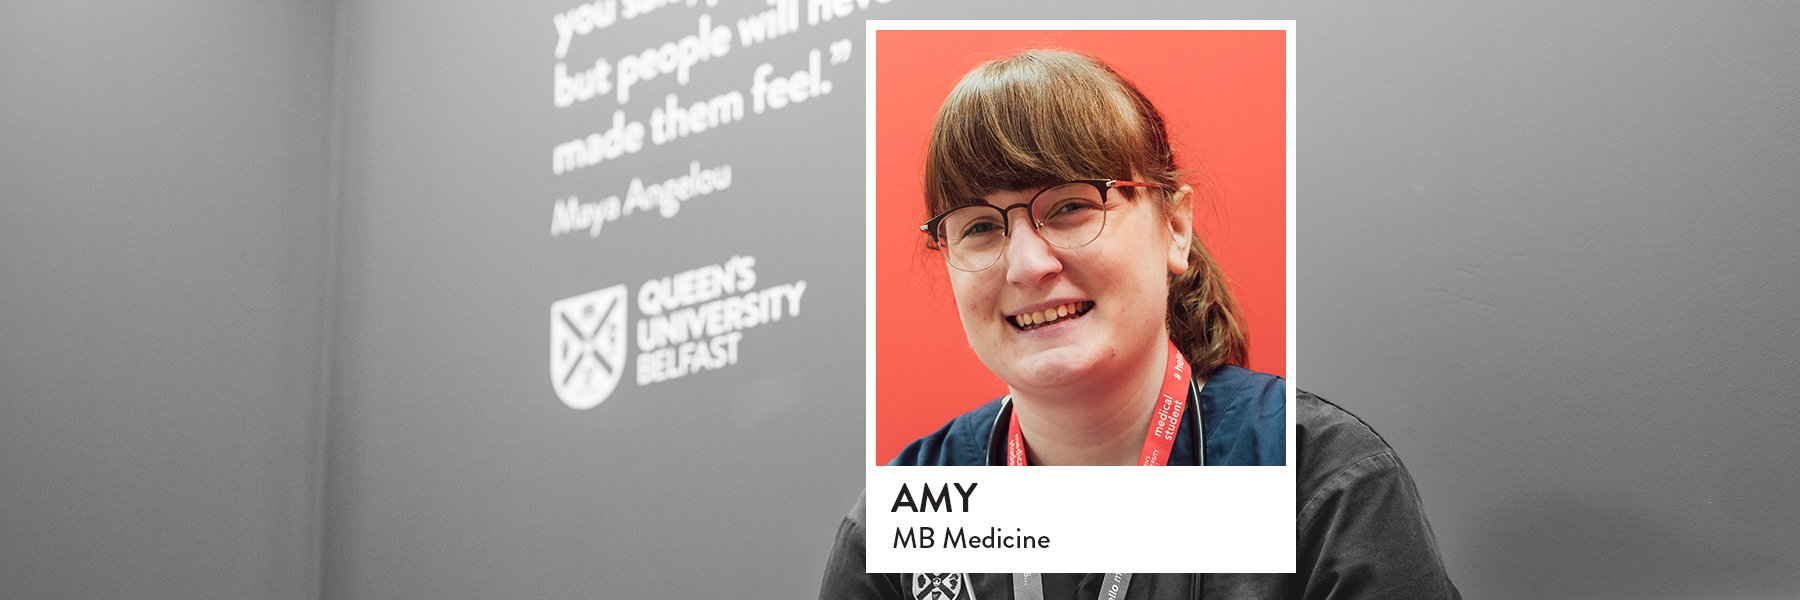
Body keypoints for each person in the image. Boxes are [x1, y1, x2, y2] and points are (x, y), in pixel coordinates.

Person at [823, 50, 1459, 598]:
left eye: (1071, 207)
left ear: (1175, 227)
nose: (1026, 264)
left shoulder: (1314, 481)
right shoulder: (898, 525)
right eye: (980, 227)